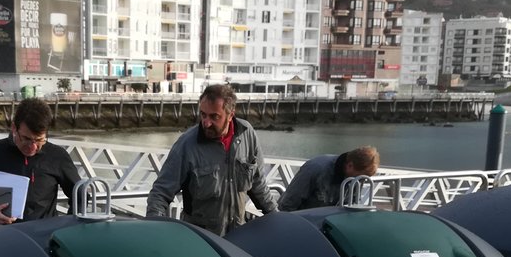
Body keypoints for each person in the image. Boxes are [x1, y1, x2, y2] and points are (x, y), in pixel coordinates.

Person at [145, 83, 277, 235]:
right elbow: (160, 193)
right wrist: (153, 231)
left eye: (214, 117)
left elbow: (258, 185)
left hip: (238, 238)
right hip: (201, 241)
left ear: (230, 115)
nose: (206, 123)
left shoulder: (247, 134)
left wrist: (278, 219)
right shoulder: (186, 145)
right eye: (203, 115)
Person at [0, 97, 81, 226]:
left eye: (39, 140)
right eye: (26, 138)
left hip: (43, 239)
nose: (33, 147)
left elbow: (81, 195)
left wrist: (67, 227)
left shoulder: (57, 156)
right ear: (14, 128)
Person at [279, 146, 381, 211]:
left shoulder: (357, 178)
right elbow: (288, 202)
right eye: (359, 176)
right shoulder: (316, 168)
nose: (360, 180)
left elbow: (353, 205)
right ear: (350, 165)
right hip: (303, 224)